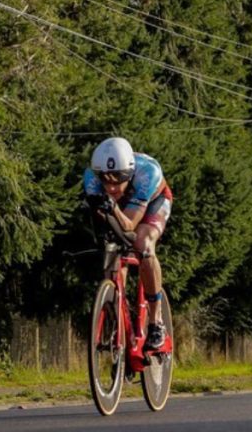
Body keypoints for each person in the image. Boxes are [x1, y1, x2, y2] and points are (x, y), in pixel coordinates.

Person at [84, 137, 173, 349]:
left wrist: (112, 207)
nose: (111, 186)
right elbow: (102, 220)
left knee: (143, 244)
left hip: (153, 202)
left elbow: (130, 224)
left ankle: (155, 321)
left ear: (129, 174)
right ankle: (119, 324)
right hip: (122, 206)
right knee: (112, 252)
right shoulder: (90, 177)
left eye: (118, 179)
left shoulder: (147, 174)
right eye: (105, 180)